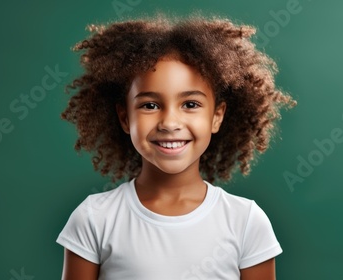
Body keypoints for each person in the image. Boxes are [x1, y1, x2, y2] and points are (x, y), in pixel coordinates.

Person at [56, 13, 296, 280]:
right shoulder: (94, 218)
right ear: (125, 118)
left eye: (190, 104)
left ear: (217, 116)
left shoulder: (246, 221)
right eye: (150, 105)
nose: (170, 122)